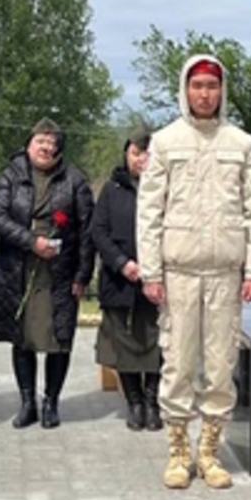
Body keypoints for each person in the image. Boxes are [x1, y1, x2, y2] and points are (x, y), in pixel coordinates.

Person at [137, 55, 251, 489]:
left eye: (212, 85)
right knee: (177, 363)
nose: (205, 94)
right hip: (178, 273)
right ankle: (179, 452)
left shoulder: (241, 143)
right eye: (198, 86)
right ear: (185, 90)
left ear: (222, 90)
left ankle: (210, 451)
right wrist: (151, 271)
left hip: (225, 273)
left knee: (220, 363)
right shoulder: (166, 141)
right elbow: (149, 211)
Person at [0, 119, 94, 429]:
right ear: (28, 144)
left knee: (59, 339)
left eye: (51, 144)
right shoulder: (11, 176)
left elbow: (87, 230)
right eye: (40, 142)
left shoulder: (75, 180)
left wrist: (83, 274)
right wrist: (31, 241)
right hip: (20, 267)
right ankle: (27, 402)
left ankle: (51, 402)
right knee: (24, 338)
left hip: (59, 271)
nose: (46, 148)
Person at [92, 126, 163, 432]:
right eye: (136, 153)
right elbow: (98, 231)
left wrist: (153, 266)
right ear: (126, 154)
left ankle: (152, 401)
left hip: (157, 278)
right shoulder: (112, 190)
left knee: (156, 342)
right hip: (120, 279)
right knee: (124, 343)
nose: (141, 160)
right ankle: (133, 402)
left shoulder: (164, 187)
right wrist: (122, 263)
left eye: (147, 153)